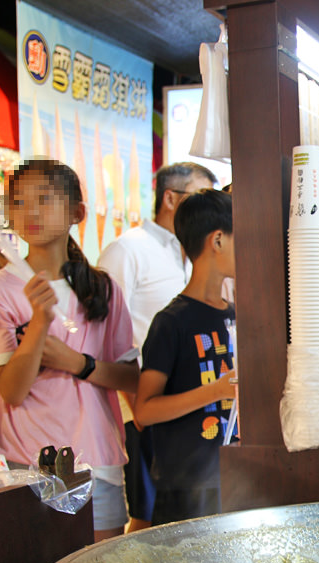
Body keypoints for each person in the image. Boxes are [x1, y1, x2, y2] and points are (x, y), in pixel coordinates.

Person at [0, 159, 139, 543]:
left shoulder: (102, 288)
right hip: (22, 460)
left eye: (44, 199)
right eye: (20, 202)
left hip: (95, 459)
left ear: (77, 212)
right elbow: (11, 391)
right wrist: (39, 325)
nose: (31, 211)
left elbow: (130, 377)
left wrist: (78, 364)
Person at [97, 162, 217, 532]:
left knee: (176, 512)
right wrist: (137, 410)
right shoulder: (127, 249)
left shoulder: (189, 252)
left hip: (187, 409)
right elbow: (104, 333)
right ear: (170, 197)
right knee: (145, 512)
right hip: (141, 406)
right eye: (200, 196)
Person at [134, 189, 237, 525]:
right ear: (218, 240)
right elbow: (144, 411)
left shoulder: (237, 316)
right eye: (242, 237)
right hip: (185, 488)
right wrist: (216, 391)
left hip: (234, 480)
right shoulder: (172, 322)